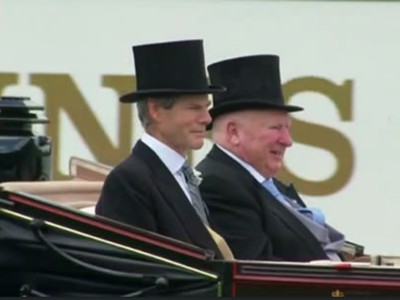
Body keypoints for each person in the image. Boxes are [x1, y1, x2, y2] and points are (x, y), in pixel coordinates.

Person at [197, 55, 362, 262]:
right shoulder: (220, 186)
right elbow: (257, 271)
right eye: (276, 128)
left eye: (288, 129)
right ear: (234, 133)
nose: (288, 141)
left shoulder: (266, 185)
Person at [95, 40, 230, 259]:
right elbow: (134, 270)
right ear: (156, 110)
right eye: (194, 108)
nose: (206, 118)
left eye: (206, 108)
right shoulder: (130, 181)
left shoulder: (183, 178)